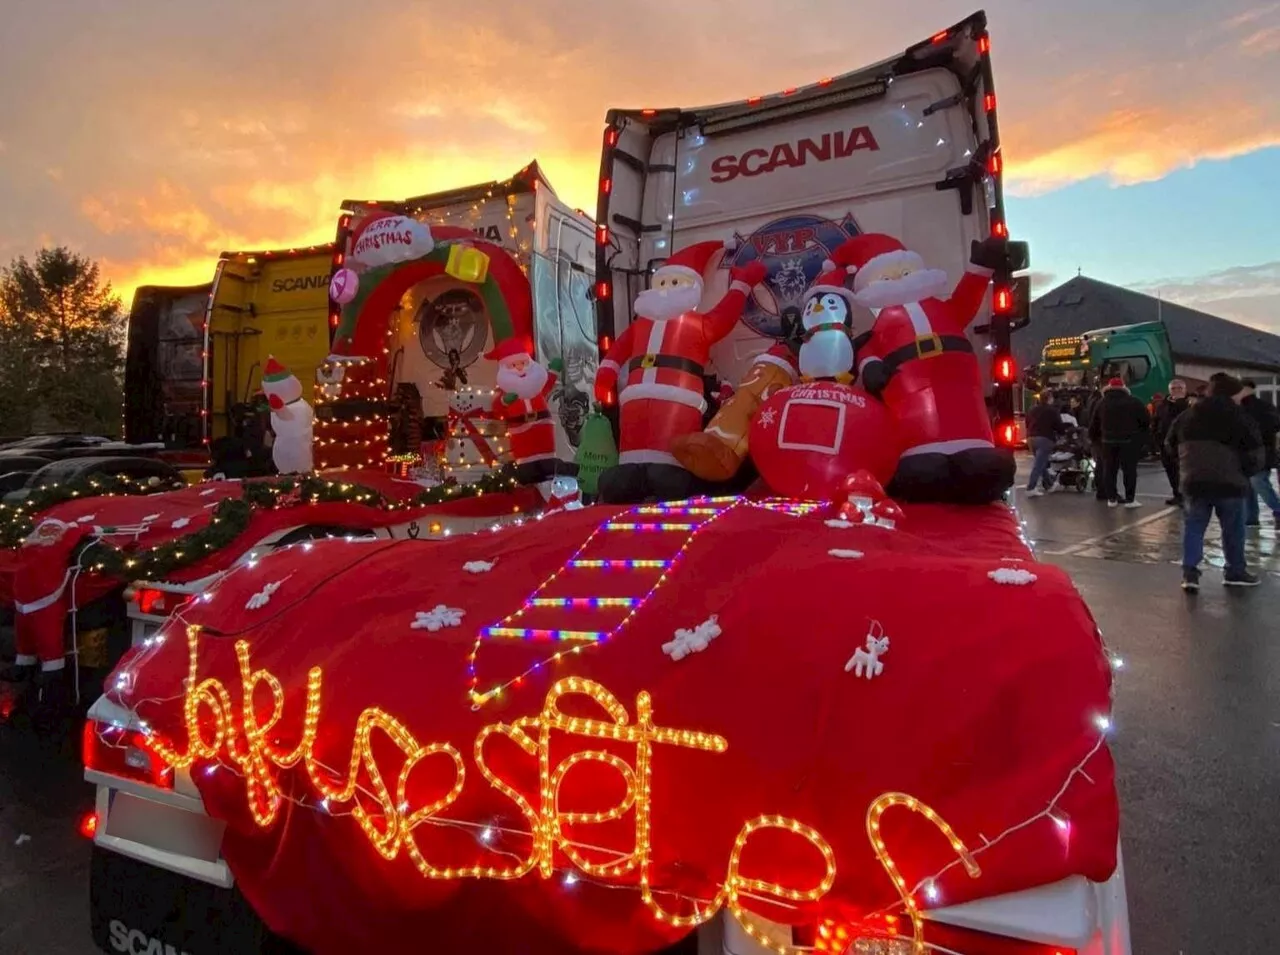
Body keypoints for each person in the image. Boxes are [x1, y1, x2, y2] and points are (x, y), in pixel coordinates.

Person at [1166, 373, 1264, 590]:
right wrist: (1245, 472)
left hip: (1194, 481)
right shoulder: (1239, 416)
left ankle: (1190, 573)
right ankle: (1235, 571)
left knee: (1194, 526)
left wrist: (1186, 465)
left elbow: (1170, 443)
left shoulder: (1188, 415)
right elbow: (1255, 451)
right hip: (1230, 483)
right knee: (1232, 528)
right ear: (1230, 394)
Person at [1088, 377, 1150, 508]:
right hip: (1129, 441)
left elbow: (1093, 424)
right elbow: (1145, 421)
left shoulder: (1101, 403)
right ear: (1124, 388)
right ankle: (1130, 499)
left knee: (1109, 470)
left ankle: (1111, 498)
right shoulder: (1134, 402)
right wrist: (1141, 439)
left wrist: (1095, 440)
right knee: (1129, 470)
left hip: (1107, 442)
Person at [1238, 378, 1280, 527]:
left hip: (1261, 452)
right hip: (1247, 453)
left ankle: (1277, 510)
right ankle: (1251, 518)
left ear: (1248, 389)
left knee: (1258, 482)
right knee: (1249, 486)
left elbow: (1274, 426)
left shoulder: (1261, 407)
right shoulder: (1238, 407)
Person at [1153, 379, 1190, 505]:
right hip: (1167, 444)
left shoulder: (1189, 404)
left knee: (1184, 471)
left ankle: (1186, 495)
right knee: (1171, 471)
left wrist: (1179, 402)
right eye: (1174, 388)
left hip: (1185, 444)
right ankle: (1177, 494)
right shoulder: (1163, 405)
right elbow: (1156, 422)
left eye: (1180, 388)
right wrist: (1157, 439)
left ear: (1185, 390)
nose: (1177, 390)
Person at [1025, 390, 1067, 496]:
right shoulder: (1052, 411)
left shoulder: (1032, 409)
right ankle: (1031, 487)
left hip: (1031, 438)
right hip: (1045, 439)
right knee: (1038, 465)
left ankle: (1049, 484)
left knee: (1041, 463)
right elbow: (1059, 426)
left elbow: (1027, 422)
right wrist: (1062, 434)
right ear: (1049, 398)